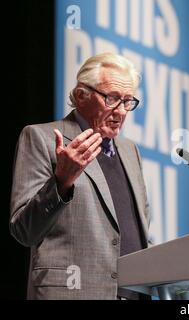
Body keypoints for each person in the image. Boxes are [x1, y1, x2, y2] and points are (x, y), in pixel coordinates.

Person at [10, 53, 151, 300]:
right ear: (81, 95)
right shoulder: (40, 138)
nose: (121, 111)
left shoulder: (130, 151)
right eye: (112, 98)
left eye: (128, 101)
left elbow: (139, 231)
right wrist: (61, 181)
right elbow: (24, 230)